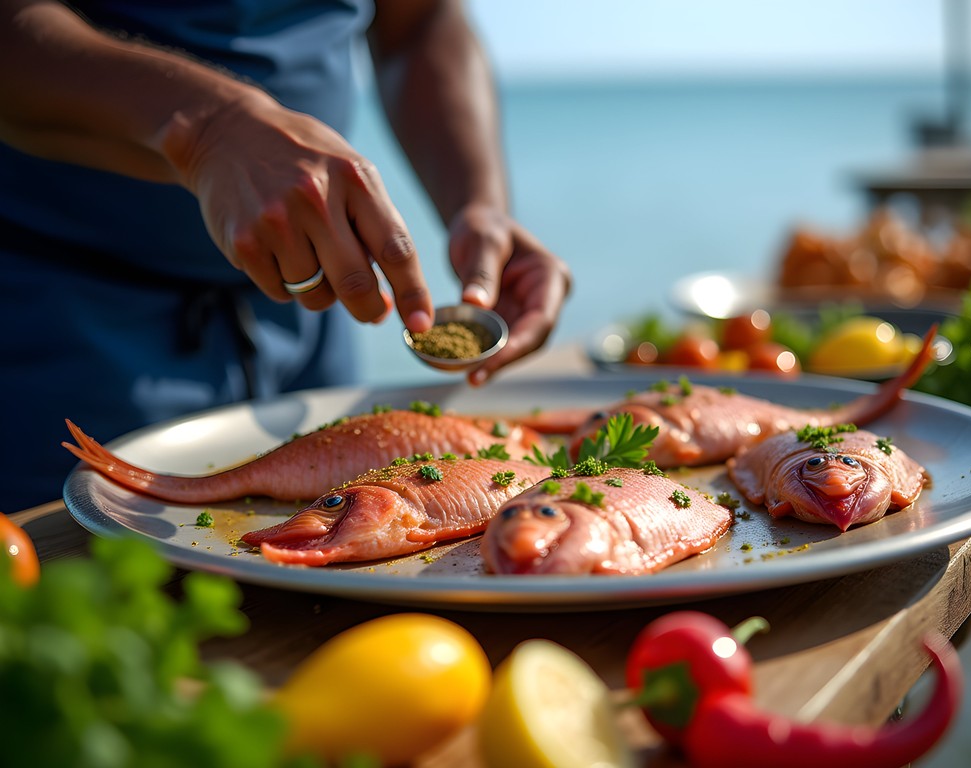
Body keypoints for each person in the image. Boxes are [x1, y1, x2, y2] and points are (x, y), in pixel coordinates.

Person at [0, 0, 572, 511]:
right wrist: (209, 127)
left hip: (310, 319)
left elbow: (418, 21)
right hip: (69, 321)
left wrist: (480, 204)